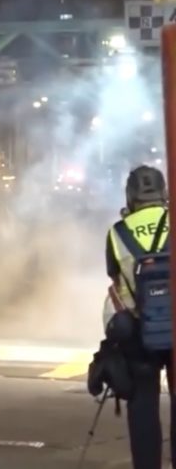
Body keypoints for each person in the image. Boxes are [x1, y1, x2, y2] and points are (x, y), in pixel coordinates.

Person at [102, 165, 172, 469]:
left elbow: (116, 281)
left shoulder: (117, 234)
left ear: (130, 197)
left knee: (143, 408)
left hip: (141, 333)